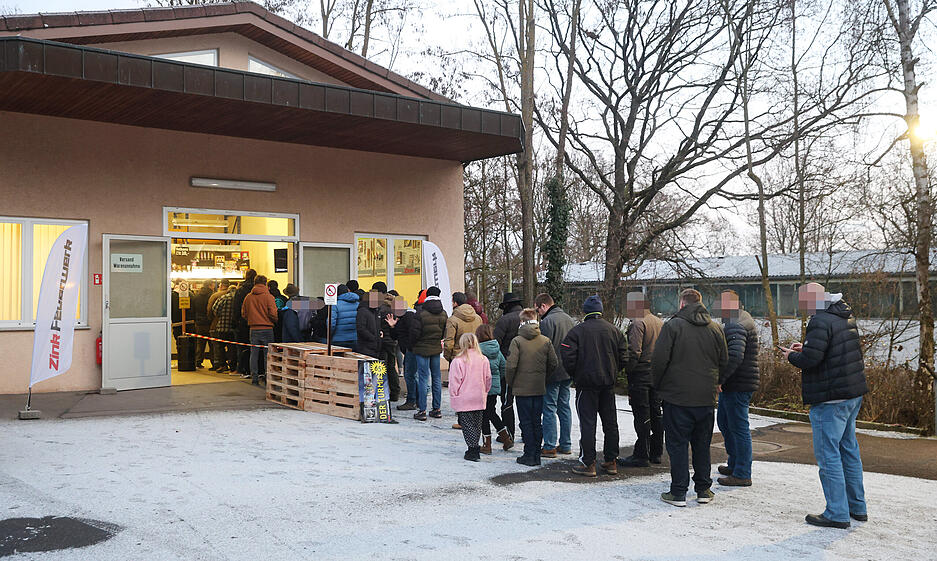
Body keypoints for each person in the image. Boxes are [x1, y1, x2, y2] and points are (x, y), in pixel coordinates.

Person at [781, 283, 868, 529]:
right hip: (852, 394)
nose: (801, 305)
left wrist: (791, 356)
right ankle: (857, 507)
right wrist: (807, 347)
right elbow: (829, 351)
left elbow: (811, 360)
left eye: (802, 300)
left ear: (813, 299)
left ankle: (837, 513)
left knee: (829, 456)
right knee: (849, 450)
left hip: (830, 399)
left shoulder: (819, 320)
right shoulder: (843, 314)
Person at [652, 288, 727, 507]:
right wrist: (717, 382)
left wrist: (658, 385)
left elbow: (659, 360)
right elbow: (724, 360)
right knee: (702, 444)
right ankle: (703, 489)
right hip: (705, 398)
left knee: (677, 445)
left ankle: (678, 492)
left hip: (677, 397)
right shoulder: (715, 328)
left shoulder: (673, 326)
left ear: (682, 304)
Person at [561, 295, 628, 477]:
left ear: (585, 311)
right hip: (607, 383)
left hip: (586, 385)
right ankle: (611, 461)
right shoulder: (614, 330)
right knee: (610, 423)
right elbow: (624, 355)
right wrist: (613, 371)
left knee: (588, 424)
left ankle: (588, 462)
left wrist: (576, 374)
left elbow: (567, 355)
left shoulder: (577, 332)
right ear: (601, 311)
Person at [715, 290, 760, 487]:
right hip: (737, 382)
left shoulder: (736, 323)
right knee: (726, 423)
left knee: (738, 428)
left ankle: (742, 472)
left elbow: (735, 355)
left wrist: (720, 379)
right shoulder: (740, 318)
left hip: (737, 383)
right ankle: (734, 464)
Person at [505, 308, 558, 467]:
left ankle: (529, 454)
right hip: (539, 387)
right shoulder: (545, 341)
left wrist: (511, 382)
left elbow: (511, 366)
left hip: (522, 389)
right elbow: (553, 363)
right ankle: (536, 454)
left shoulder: (517, 341)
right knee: (536, 421)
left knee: (526, 422)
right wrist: (543, 377)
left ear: (522, 321)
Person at [619, 292, 664, 468]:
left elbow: (634, 352)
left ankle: (641, 454)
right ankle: (656, 452)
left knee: (642, 415)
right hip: (657, 374)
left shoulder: (638, 323)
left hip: (641, 374)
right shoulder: (659, 322)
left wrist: (628, 371)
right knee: (656, 413)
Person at [535, 292, 576, 457]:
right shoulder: (569, 319)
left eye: (538, 310)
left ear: (544, 306)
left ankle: (549, 446)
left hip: (552, 372)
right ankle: (566, 444)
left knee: (549, 408)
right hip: (568, 370)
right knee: (564, 407)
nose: (538, 313)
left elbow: (543, 348)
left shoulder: (547, 322)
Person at [448, 333, 492, 462]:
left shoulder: (458, 361)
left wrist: (454, 395)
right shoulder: (483, 359)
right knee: (477, 425)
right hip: (479, 396)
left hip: (464, 397)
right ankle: (474, 447)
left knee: (467, 425)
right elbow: (488, 378)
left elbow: (454, 381)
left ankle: (472, 449)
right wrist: (485, 391)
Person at [409, 286, 448, 421]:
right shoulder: (443, 313)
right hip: (435, 349)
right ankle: (436, 409)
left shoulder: (420, 313)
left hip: (421, 349)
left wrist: (413, 345)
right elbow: (444, 332)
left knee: (423, 379)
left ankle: (422, 410)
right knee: (436, 378)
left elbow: (414, 333)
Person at [477, 324, 513, 453]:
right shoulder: (497, 349)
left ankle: (487, 445)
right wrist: (497, 379)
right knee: (491, 412)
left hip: (482, 387)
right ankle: (506, 438)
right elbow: (503, 367)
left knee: (484, 416)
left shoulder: (477, 350)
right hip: (494, 387)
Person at [493, 291, 523, 438]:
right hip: (527, 366)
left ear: (506, 306)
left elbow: (496, 343)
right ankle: (527, 433)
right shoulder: (530, 319)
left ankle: (508, 432)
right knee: (525, 402)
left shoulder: (504, 320)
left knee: (507, 401)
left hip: (507, 365)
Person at [241, 274, 278, 386]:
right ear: (265, 283)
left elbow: (244, 313)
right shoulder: (269, 297)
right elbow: (273, 313)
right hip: (267, 328)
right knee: (267, 354)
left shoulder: (248, 297)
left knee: (254, 354)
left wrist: (252, 319)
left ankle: (254, 378)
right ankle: (267, 377)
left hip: (253, 328)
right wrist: (274, 320)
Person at [371, 281, 400, 402]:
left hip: (382, 341)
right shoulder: (393, 306)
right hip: (392, 341)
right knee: (391, 367)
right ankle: (395, 392)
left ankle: (382, 393)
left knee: (381, 367)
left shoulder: (379, 308)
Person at [392, 293, 421, 410]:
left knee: (410, 375)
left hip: (412, 350)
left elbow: (413, 333)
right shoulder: (403, 316)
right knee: (412, 375)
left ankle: (412, 401)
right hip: (410, 350)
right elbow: (396, 335)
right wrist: (393, 326)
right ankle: (417, 400)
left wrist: (410, 347)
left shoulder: (408, 316)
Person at [444, 292, 483, 362]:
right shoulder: (478, 318)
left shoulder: (452, 320)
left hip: (458, 356)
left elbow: (449, 342)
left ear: (455, 303)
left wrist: (448, 357)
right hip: (475, 355)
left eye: (452, 302)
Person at [210, 281, 238, 373]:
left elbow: (214, 309)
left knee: (220, 347)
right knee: (232, 347)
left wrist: (220, 315)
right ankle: (233, 366)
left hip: (222, 326)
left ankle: (223, 365)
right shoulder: (238, 298)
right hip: (234, 327)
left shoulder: (223, 297)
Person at [233, 269, 257, 374]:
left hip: (243, 323)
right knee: (256, 349)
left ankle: (243, 369)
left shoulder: (240, 291)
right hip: (258, 324)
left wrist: (236, 322)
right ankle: (256, 371)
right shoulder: (263, 292)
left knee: (242, 347)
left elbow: (236, 308)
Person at [207, 279, 230, 371]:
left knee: (217, 346)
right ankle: (232, 365)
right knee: (231, 346)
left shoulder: (216, 296)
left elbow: (210, 310)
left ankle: (219, 364)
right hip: (232, 325)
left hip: (217, 324)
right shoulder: (234, 295)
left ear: (220, 285)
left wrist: (212, 320)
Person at [191, 283, 214, 368]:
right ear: (210, 285)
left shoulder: (196, 296)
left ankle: (198, 362)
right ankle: (214, 363)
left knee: (200, 344)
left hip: (199, 323)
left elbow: (193, 309)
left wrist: (196, 320)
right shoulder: (212, 295)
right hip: (209, 323)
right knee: (212, 344)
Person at [356, 289, 384, 359]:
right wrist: (373, 338)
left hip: (376, 347)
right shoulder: (363, 310)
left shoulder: (377, 311)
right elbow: (361, 328)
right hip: (366, 348)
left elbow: (377, 326)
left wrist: (380, 333)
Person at [330, 284, 359, 351]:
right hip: (355, 338)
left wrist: (331, 335)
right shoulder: (358, 304)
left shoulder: (335, 305)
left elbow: (331, 323)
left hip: (339, 339)